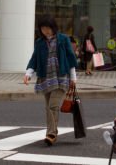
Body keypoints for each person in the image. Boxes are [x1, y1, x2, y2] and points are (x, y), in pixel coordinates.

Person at [24, 15, 78, 146]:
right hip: (45, 78)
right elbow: (34, 59)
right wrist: (28, 73)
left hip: (61, 78)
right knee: (48, 106)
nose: (46, 31)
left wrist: (73, 77)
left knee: (53, 105)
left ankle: (51, 133)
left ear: (53, 27)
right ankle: (52, 132)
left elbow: (71, 59)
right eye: (43, 28)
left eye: (48, 28)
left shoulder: (63, 39)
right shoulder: (39, 42)